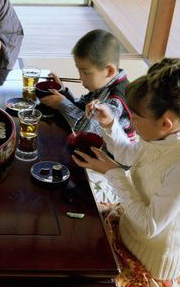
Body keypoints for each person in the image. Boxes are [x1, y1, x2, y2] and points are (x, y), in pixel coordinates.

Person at [72, 58, 180, 287]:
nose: (131, 122)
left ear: (165, 123)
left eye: (135, 117)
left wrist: (113, 173)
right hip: (127, 227)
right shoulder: (164, 135)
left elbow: (149, 227)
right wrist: (109, 124)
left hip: (150, 259)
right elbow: (129, 155)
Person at [40, 29, 134, 202]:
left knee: (48, 155)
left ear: (109, 71)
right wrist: (63, 93)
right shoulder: (105, 84)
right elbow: (83, 107)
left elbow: (86, 130)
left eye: (85, 72)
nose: (80, 78)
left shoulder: (116, 100)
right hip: (95, 151)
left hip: (108, 166)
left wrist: (62, 103)